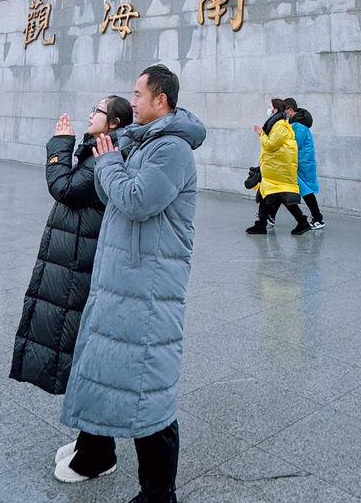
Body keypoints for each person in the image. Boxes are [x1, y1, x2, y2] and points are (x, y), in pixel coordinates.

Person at [59, 64, 206, 503]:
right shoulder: (144, 143)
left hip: (149, 287)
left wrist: (108, 161)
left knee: (148, 389)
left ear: (161, 99)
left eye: (139, 94)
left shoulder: (173, 150)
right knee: (110, 369)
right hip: (124, 278)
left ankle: (159, 494)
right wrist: (110, 159)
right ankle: (97, 451)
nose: (133, 100)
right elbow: (111, 194)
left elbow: (138, 200)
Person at [9, 95, 132, 448]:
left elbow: (63, 188)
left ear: (113, 123)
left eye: (98, 110)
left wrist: (60, 146)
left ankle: (97, 443)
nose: (90, 114)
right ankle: (90, 439)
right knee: (72, 344)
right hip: (72, 252)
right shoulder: (96, 149)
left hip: (80, 258)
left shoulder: (103, 155)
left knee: (80, 346)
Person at [246, 98, 300, 234]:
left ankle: (302, 222)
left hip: (278, 171)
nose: (268, 109)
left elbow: (270, 145)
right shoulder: (276, 124)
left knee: (284, 198)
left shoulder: (280, 125)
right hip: (274, 169)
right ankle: (261, 224)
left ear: (275, 108)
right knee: (264, 196)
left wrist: (260, 134)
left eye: (270, 107)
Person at [283, 105, 324, 234]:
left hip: (301, 163)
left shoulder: (298, 126)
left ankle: (318, 218)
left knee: (306, 191)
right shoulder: (296, 124)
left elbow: (295, 145)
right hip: (301, 162)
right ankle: (268, 217)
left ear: (290, 109)